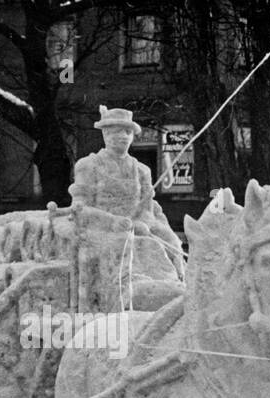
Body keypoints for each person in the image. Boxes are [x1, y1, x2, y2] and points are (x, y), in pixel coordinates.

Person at [69, 106, 184, 283]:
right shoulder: (88, 165)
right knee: (135, 247)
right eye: (117, 131)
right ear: (105, 134)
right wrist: (112, 221)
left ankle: (179, 281)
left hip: (138, 224)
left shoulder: (142, 170)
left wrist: (142, 222)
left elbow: (147, 208)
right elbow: (80, 208)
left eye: (128, 132)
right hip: (102, 227)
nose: (124, 136)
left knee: (173, 242)